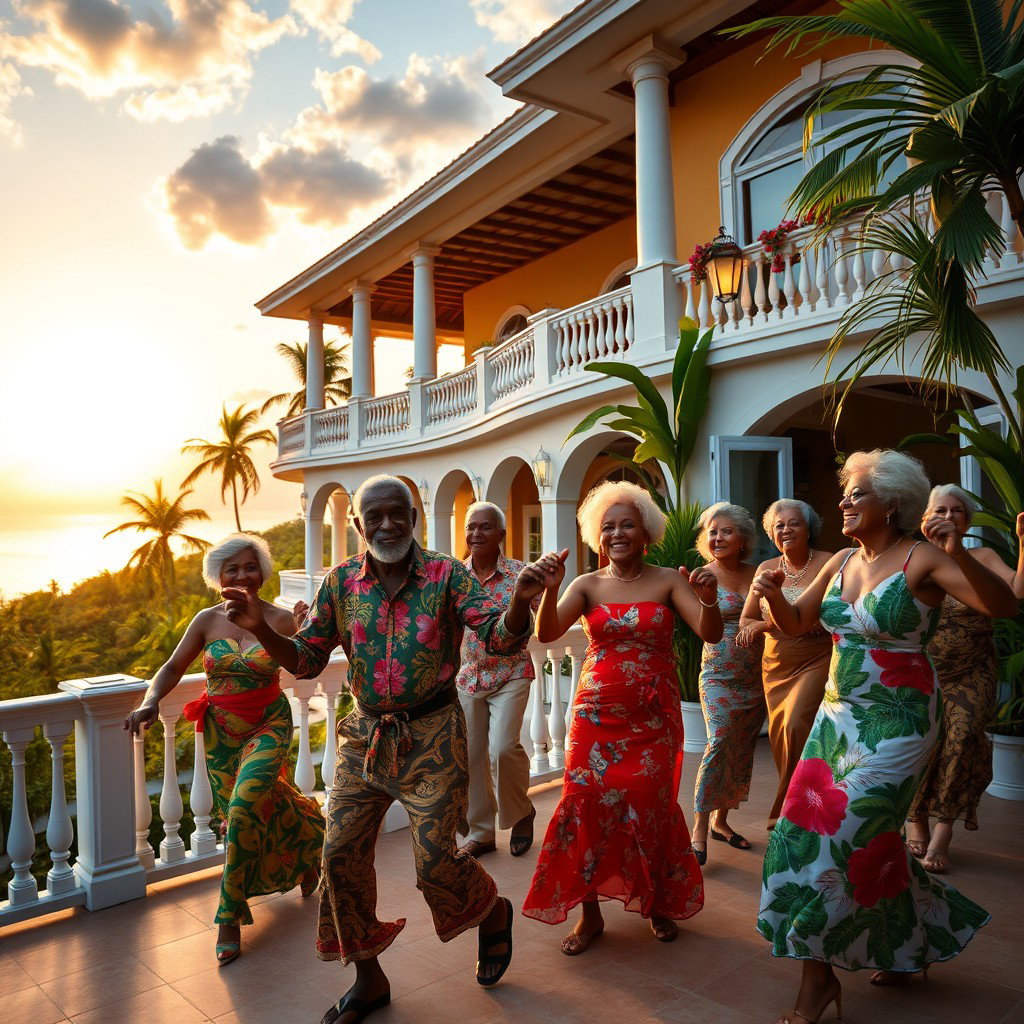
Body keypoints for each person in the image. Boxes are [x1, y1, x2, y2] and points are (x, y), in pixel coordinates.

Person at [221, 475, 546, 1024]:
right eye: (375, 516)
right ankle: (369, 979)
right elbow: (306, 661)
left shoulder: (447, 574)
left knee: (437, 861)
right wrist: (262, 629)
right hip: (364, 737)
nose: (388, 524)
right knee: (338, 857)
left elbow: (498, 635)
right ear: (358, 525)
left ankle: (491, 914)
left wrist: (517, 602)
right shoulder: (341, 581)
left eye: (398, 513)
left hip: (435, 733)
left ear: (414, 517)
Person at [751, 450, 1016, 1023]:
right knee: (842, 837)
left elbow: (1003, 604)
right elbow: (798, 622)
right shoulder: (842, 559)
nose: (843, 501)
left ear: (892, 503)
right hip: (836, 716)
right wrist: (771, 592)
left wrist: (954, 553)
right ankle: (907, 947)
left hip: (898, 721)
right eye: (845, 492)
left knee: (837, 836)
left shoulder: (922, 559)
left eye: (857, 493)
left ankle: (816, 984)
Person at [521, 480, 722, 954]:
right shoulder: (585, 584)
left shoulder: (669, 579)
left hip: (652, 718)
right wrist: (550, 592)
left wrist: (709, 596)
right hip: (595, 716)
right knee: (585, 807)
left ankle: (655, 901)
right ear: (597, 534)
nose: (617, 533)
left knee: (648, 808)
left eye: (627, 523)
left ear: (645, 530)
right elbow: (547, 633)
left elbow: (709, 631)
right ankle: (590, 917)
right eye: (608, 526)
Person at [123, 533, 325, 967]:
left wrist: (308, 623)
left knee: (242, 808)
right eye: (231, 569)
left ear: (263, 572)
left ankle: (229, 916)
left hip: (269, 724)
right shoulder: (205, 620)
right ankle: (309, 844)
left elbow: (307, 658)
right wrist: (150, 700)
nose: (241, 575)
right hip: (220, 734)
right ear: (218, 577)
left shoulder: (282, 617)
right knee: (261, 803)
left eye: (249, 566)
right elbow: (173, 666)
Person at [905, 487, 1024, 872]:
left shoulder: (982, 556)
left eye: (958, 510)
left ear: (967, 521)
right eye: (941, 509)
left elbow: (1015, 595)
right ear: (925, 518)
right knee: (920, 744)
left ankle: (943, 832)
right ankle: (915, 818)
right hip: (922, 672)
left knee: (960, 741)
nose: (950, 515)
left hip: (973, 671)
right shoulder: (913, 559)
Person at [738, 500, 833, 829]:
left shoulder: (828, 563)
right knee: (782, 735)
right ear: (771, 533)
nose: (786, 530)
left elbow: (834, 611)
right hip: (776, 663)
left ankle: (786, 808)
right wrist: (764, 626)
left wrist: (784, 621)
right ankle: (806, 799)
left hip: (817, 656)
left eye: (794, 523)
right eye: (779, 525)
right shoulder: (765, 568)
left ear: (809, 530)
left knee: (795, 725)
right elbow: (747, 618)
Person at [457, 501, 537, 859]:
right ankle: (482, 832)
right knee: (472, 756)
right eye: (471, 527)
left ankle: (522, 812)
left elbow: (540, 623)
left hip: (511, 672)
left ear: (501, 534)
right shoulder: (455, 576)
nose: (476, 533)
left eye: (485, 527)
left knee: (503, 749)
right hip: (468, 677)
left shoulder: (521, 574)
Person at [691, 501, 765, 864]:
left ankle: (722, 821)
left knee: (741, 748)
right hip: (718, 674)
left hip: (758, 674)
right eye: (712, 532)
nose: (717, 537)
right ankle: (699, 828)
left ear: (743, 539)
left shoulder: (760, 572)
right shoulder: (701, 576)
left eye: (726, 531)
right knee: (719, 742)